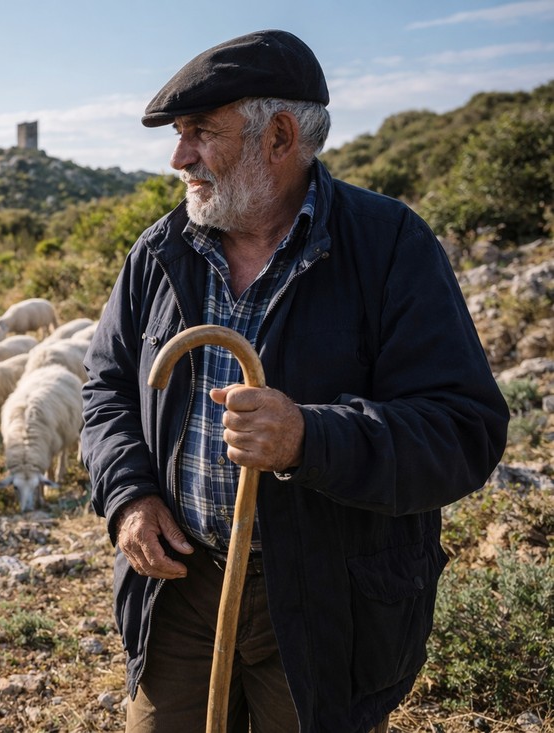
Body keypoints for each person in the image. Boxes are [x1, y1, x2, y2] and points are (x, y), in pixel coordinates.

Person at [80, 29, 509, 733]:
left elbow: (464, 429)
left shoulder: (389, 246)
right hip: (182, 587)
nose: (178, 158)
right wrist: (129, 494)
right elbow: (107, 389)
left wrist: (310, 437)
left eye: (200, 132)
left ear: (279, 137)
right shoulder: (161, 251)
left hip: (326, 596)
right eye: (180, 136)